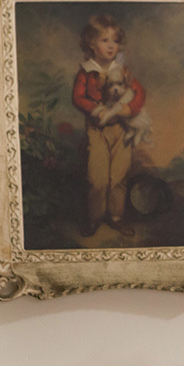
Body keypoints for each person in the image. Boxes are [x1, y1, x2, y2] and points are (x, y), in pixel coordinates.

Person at [70, 14, 147, 237]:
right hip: (97, 130)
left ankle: (116, 217)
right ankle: (95, 218)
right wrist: (96, 109)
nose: (111, 45)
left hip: (121, 130)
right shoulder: (86, 72)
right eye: (105, 40)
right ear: (91, 43)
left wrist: (128, 109)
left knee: (118, 176)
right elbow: (77, 98)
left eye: (114, 41)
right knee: (97, 178)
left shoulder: (122, 71)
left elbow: (139, 94)